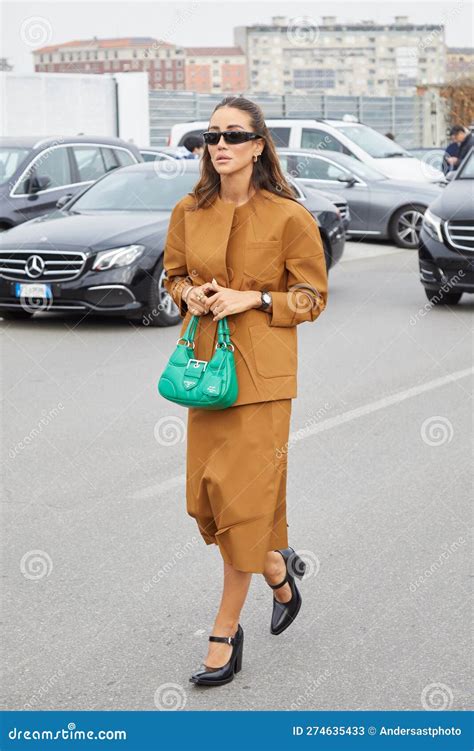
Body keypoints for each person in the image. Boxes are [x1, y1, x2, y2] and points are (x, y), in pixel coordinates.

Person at [162, 95, 328, 687]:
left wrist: (253, 298)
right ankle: (279, 572)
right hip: (209, 375)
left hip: (262, 381)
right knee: (207, 500)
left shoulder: (289, 217)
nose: (221, 145)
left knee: (241, 507)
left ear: (259, 145)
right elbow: (173, 275)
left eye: (234, 135)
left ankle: (224, 632)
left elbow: (311, 297)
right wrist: (193, 297)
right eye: (211, 136)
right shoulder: (189, 210)